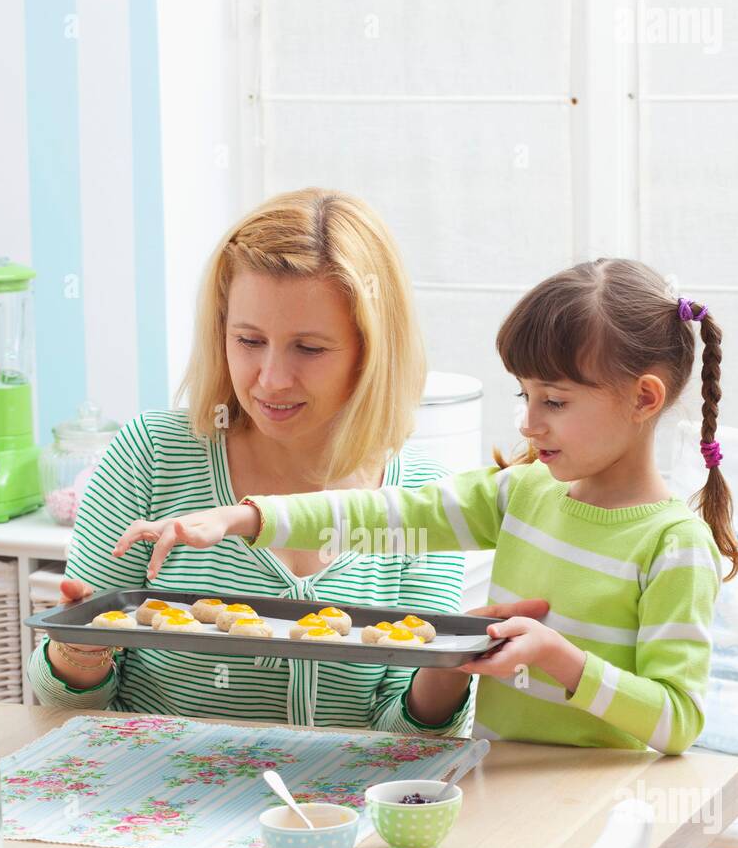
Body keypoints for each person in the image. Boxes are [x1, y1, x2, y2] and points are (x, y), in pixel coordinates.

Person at [114, 257, 738, 848]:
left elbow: (678, 721)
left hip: (602, 828)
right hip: (502, 801)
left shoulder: (672, 543)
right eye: (524, 397)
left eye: (553, 401)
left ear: (644, 399)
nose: (530, 423)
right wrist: (246, 517)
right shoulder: (523, 492)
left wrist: (563, 661)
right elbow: (388, 514)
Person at [28, 186, 547, 729]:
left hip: (333, 813)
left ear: (371, 353)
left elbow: (405, 738)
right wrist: (78, 654)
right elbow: (68, 710)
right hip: (160, 800)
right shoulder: (153, 455)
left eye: (310, 348)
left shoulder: (420, 498)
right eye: (249, 340)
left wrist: (450, 664)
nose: (272, 379)